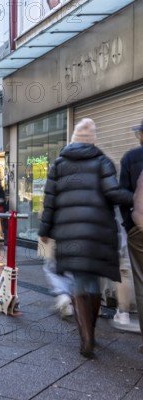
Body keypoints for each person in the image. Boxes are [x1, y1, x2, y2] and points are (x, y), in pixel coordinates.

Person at [39, 118, 132, 358]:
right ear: (92, 140)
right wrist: (135, 198)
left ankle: (86, 338)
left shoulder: (58, 165)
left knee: (79, 281)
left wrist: (45, 231)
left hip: (69, 233)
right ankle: (91, 330)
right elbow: (113, 193)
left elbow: (50, 201)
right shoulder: (102, 161)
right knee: (93, 282)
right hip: (98, 231)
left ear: (72, 140)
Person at [120, 119, 143, 348]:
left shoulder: (132, 157)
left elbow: (123, 194)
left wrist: (129, 225)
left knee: (141, 280)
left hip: (139, 229)